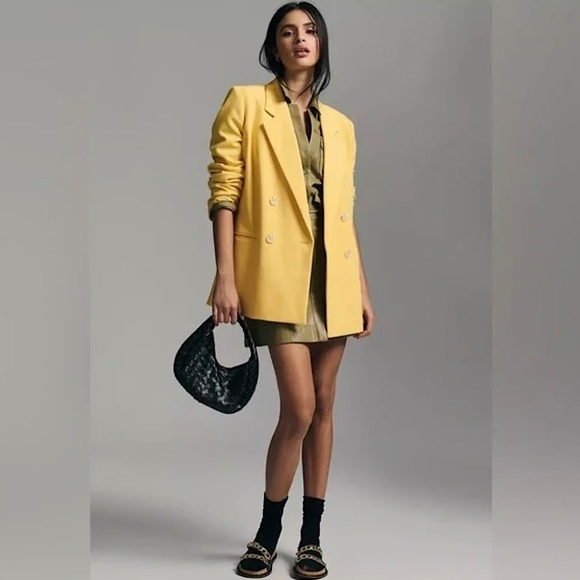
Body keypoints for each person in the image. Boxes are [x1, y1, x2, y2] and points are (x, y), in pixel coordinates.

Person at [205, 2, 374, 577]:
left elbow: (343, 216)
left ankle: (311, 539)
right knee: (298, 409)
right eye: (287, 31)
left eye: (310, 31)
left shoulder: (342, 126)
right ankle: (266, 532)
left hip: (333, 279)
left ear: (321, 44)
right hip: (278, 278)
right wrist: (226, 275)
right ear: (273, 46)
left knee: (324, 407)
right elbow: (224, 192)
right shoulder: (246, 103)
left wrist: (361, 289)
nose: (300, 39)